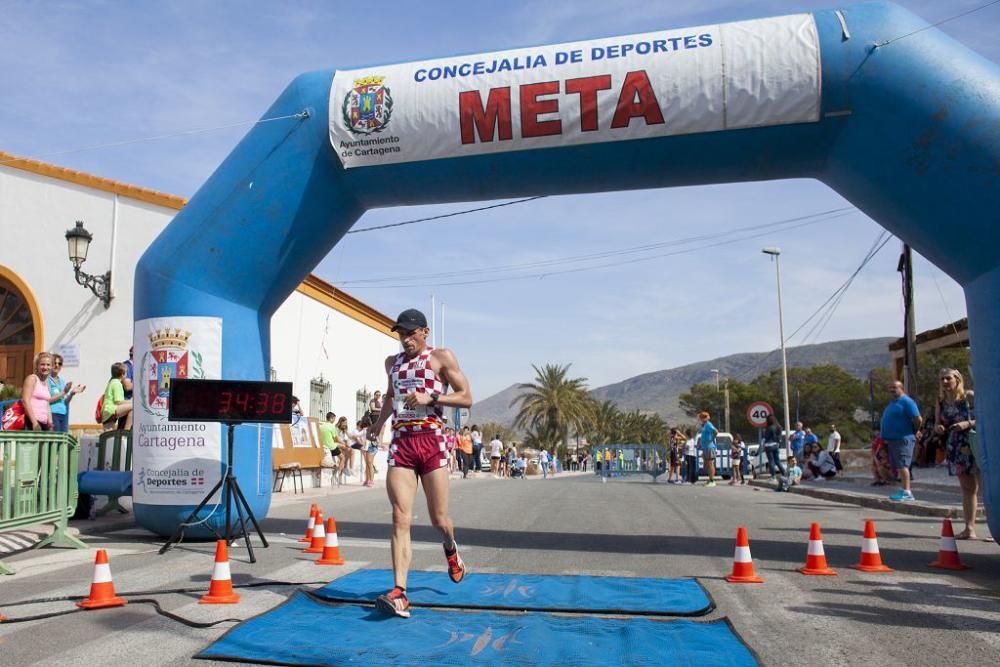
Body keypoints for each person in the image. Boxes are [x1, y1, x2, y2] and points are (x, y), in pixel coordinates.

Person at [368, 308, 472, 618]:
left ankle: (451, 549)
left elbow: (466, 396)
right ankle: (399, 592)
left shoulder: (441, 358)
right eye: (401, 333)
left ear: (424, 332)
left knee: (439, 519)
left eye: (411, 332)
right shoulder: (393, 363)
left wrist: (432, 399)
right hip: (402, 442)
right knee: (400, 517)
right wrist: (379, 422)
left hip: (431, 442)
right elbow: (390, 396)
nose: (405, 338)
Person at [935, 369, 979, 539]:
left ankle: (994, 528)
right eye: (942, 379)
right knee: (967, 489)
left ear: (957, 379)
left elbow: (986, 416)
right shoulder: (941, 402)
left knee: (985, 487)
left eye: (948, 378)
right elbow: (938, 423)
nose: (945, 382)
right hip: (956, 446)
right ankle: (969, 528)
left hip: (974, 441)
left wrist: (967, 423)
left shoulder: (969, 397)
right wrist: (938, 428)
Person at [880, 380, 922, 502]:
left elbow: (918, 418)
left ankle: (907, 492)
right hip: (893, 440)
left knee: (903, 465)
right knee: (899, 465)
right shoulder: (894, 403)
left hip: (903, 438)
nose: (892, 390)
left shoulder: (907, 402)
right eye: (890, 388)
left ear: (901, 388)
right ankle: (903, 489)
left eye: (894, 387)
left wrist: (915, 430)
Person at [47, 352, 85, 432]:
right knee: (55, 441)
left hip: (63, 413)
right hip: (52, 413)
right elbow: (48, 400)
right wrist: (64, 392)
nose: (57, 365)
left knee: (62, 441)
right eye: (54, 363)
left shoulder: (62, 381)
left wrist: (72, 393)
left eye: (59, 363)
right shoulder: (47, 380)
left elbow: (65, 402)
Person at [22, 352, 54, 431]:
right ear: (37, 366)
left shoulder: (47, 383)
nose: (45, 367)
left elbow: (47, 403)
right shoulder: (32, 379)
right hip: (31, 421)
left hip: (44, 423)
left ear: (52, 367)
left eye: (48, 365)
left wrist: (50, 423)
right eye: (42, 364)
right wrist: (34, 423)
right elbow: (25, 401)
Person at [100, 362, 132, 431]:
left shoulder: (112, 382)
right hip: (111, 409)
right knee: (134, 407)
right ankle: (126, 433)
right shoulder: (117, 384)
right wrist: (132, 401)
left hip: (106, 412)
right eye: (126, 373)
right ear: (123, 374)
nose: (127, 375)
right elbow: (119, 402)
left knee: (109, 435)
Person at [318, 411, 342, 485]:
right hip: (331, 446)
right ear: (331, 418)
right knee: (343, 457)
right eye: (334, 418)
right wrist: (343, 443)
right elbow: (336, 438)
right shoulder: (332, 426)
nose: (334, 420)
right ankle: (337, 474)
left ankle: (335, 471)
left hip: (323, 446)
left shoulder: (321, 425)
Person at [698, 411, 718, 487]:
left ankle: (712, 480)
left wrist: (711, 440)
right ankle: (710, 479)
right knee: (707, 464)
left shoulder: (709, 424)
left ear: (704, 418)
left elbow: (716, 431)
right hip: (705, 447)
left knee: (710, 464)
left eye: (701, 417)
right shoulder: (705, 425)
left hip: (709, 447)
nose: (700, 419)